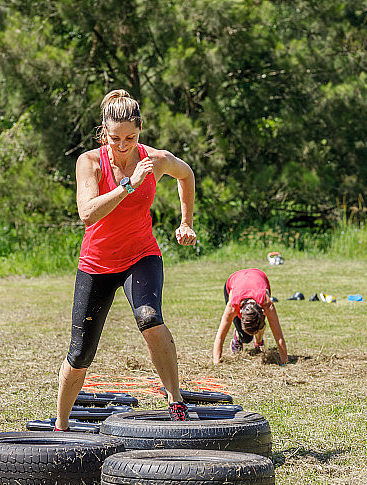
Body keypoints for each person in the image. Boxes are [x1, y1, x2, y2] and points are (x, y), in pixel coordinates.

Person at [55, 89, 197, 429]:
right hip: (97, 263)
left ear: (140, 130)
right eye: (115, 138)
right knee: (80, 354)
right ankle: (61, 424)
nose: (123, 145)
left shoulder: (156, 159)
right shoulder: (89, 162)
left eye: (130, 137)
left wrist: (186, 221)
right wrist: (128, 185)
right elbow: (88, 214)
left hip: (141, 255)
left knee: (150, 318)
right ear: (104, 132)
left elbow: (187, 174)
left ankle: (175, 400)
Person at [212, 268, 289, 365]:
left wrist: (284, 362)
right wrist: (216, 363)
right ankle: (238, 336)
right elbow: (220, 337)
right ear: (239, 312)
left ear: (262, 311)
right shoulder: (232, 305)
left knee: (259, 324)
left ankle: (258, 341)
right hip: (235, 280)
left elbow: (279, 337)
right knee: (246, 338)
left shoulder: (267, 304)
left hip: (259, 278)